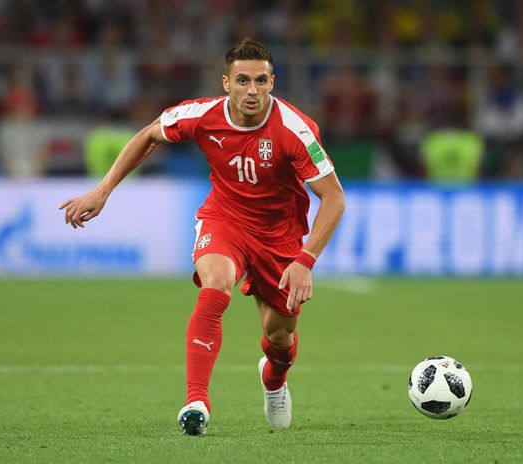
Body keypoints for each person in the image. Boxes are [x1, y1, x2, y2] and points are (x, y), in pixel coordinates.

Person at [59, 39, 346, 434]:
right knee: (216, 282)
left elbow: (334, 197)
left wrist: (305, 260)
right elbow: (149, 135)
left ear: (272, 82)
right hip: (225, 220)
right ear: (226, 82)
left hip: (279, 236)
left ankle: (274, 379)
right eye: (242, 80)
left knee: (280, 338)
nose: (252, 90)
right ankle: (196, 401)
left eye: (261, 81)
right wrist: (103, 190)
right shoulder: (202, 115)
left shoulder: (295, 130)